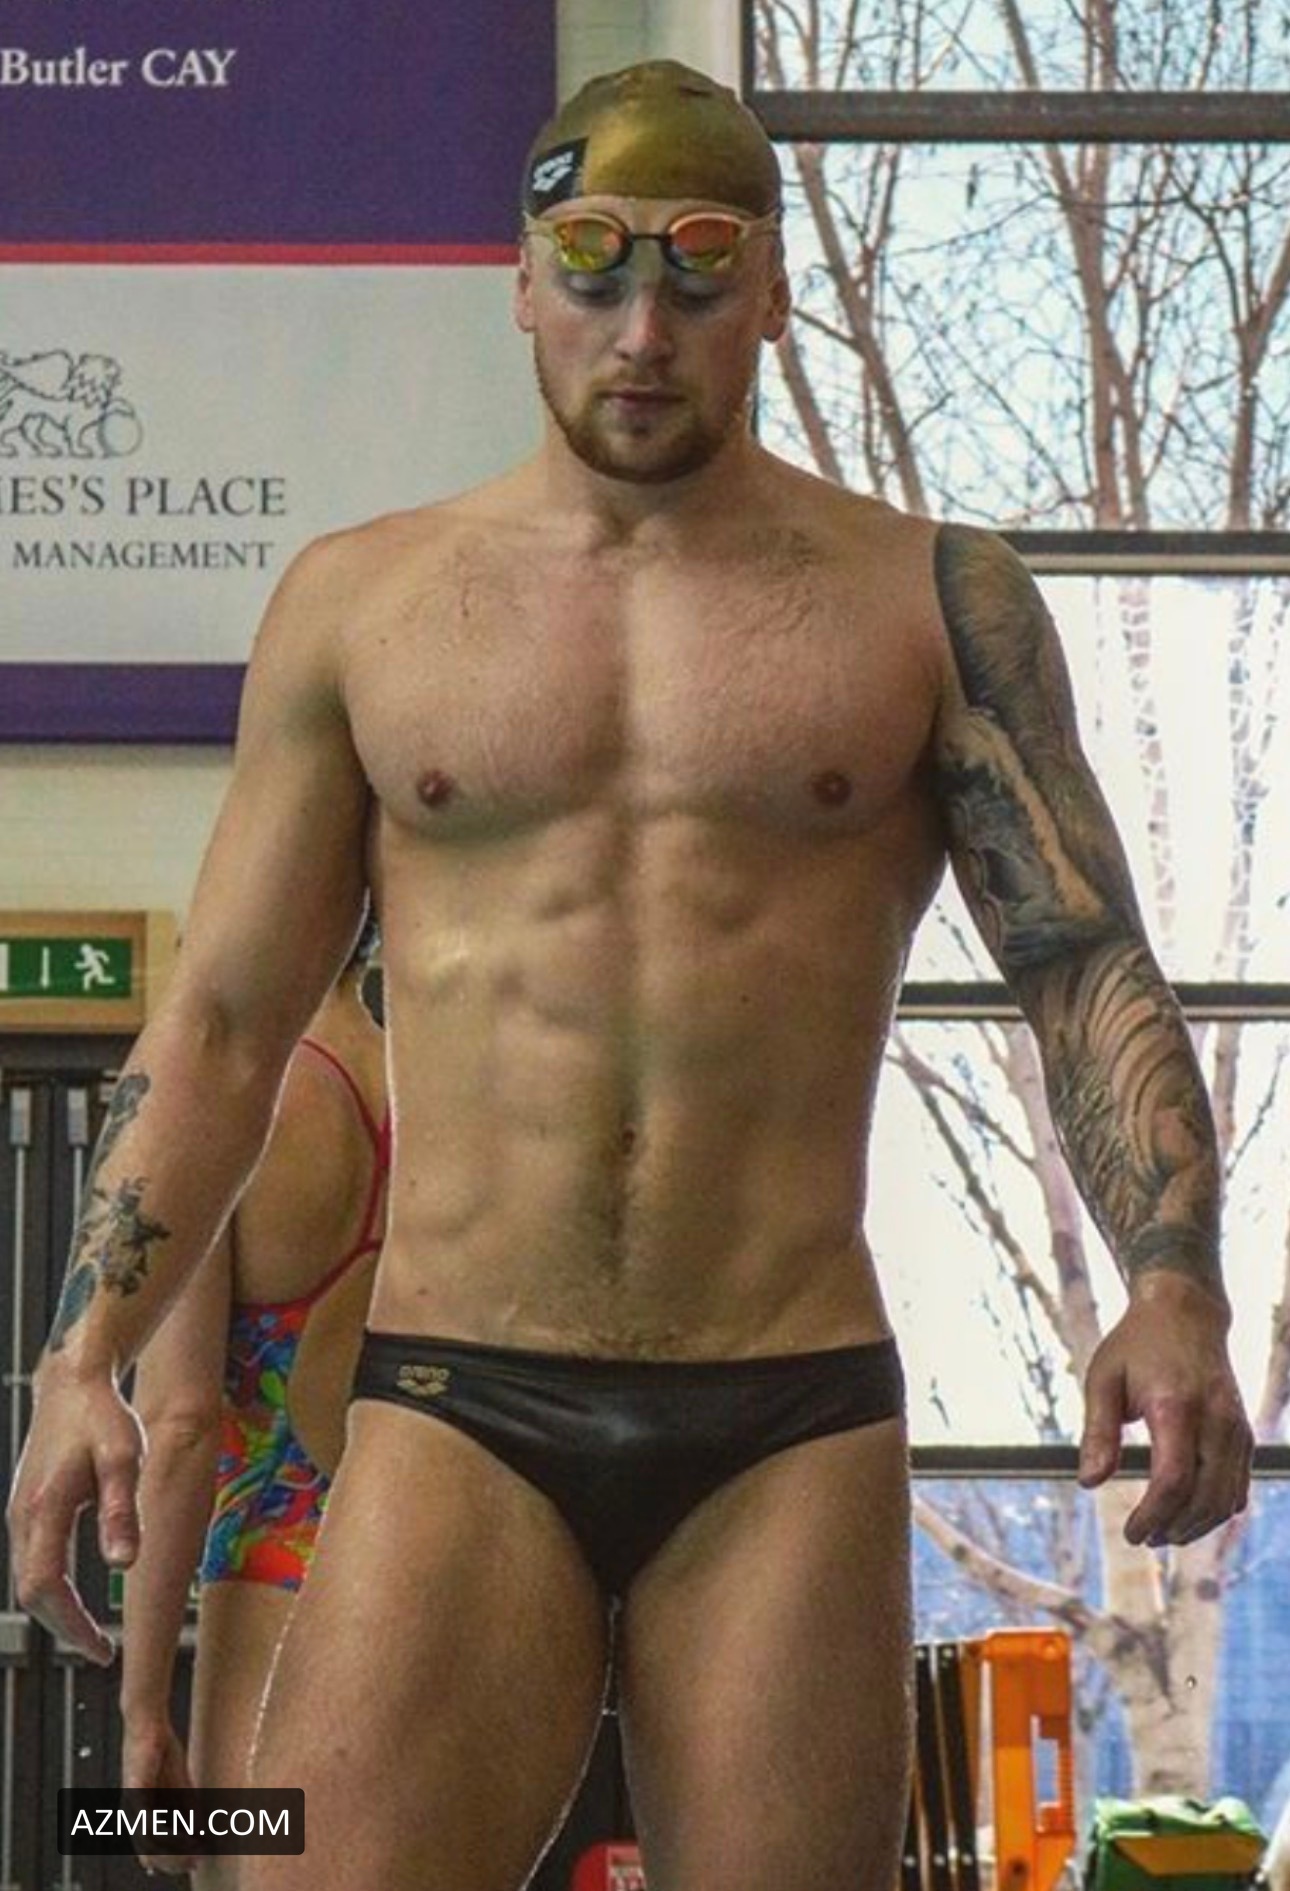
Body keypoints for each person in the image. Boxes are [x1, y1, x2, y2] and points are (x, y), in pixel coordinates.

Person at [8, 59, 1253, 1891]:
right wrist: (80, 1356)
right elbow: (220, 1023)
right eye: (594, 267)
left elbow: (1078, 961)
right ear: (522, 284)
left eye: (697, 270)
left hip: (783, 1411)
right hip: (458, 1396)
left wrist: (1171, 1280)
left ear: (774, 289)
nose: (644, 331)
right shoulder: (363, 605)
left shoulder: (927, 602)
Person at [116, 926, 386, 1883]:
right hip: (430, 1566)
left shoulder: (231, 1113)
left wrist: (141, 1708)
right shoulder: (433, 1098)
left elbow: (181, 1424)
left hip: (274, 1571)